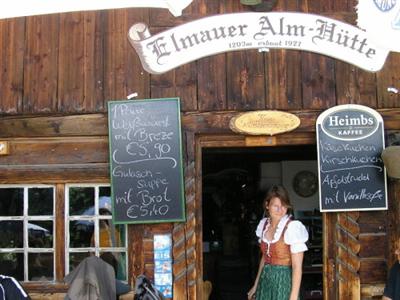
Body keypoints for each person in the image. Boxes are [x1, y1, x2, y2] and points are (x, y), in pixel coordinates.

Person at [248, 185, 309, 300]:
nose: (280, 210)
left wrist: (294, 297)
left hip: (284, 282)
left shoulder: (292, 228)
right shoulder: (264, 225)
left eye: (283, 206)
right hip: (265, 281)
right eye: (276, 206)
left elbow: (297, 267)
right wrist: (255, 286)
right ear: (267, 205)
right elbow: (265, 258)